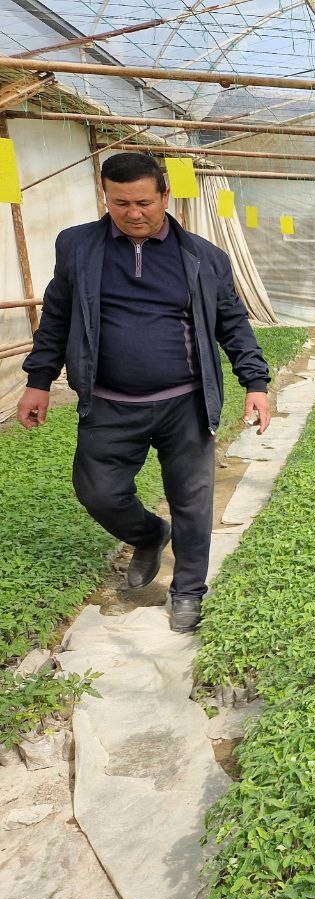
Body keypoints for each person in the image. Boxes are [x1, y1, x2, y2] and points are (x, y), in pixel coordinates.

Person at [17, 152, 271, 634]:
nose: (133, 213)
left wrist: (255, 383)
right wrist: (38, 380)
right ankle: (150, 534)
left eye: (144, 203)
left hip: (185, 403)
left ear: (165, 196)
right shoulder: (77, 246)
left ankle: (189, 590)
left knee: (192, 501)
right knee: (98, 492)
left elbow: (232, 323)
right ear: (105, 197)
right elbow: (58, 316)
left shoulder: (203, 257)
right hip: (109, 401)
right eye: (121, 203)